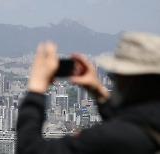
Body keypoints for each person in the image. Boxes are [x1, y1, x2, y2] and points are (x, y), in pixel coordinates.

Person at [16, 32, 160, 154]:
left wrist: (36, 88)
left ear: (128, 81)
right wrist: (98, 93)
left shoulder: (107, 136)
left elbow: (30, 149)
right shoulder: (145, 128)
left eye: (113, 75)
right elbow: (134, 126)